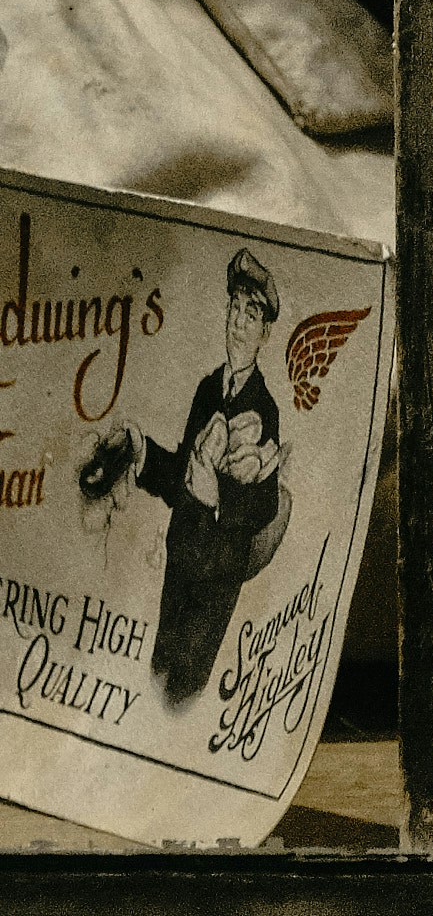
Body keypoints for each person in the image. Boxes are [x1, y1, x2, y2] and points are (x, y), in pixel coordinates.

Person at [108, 246, 292, 705]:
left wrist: (218, 500)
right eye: (235, 307)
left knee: (183, 691)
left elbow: (264, 503)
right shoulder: (208, 389)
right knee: (158, 672)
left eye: (252, 314)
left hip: (217, 576)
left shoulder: (264, 408)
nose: (239, 322)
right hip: (183, 557)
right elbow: (180, 479)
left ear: (265, 333)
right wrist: (142, 451)